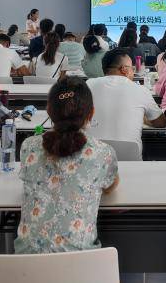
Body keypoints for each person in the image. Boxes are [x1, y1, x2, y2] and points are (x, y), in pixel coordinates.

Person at [14, 77, 119, 254]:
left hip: (25, 264)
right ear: (91, 113)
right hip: (82, 264)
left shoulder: (28, 147)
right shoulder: (103, 152)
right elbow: (110, 187)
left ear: (49, 111)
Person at [85, 49, 166, 152]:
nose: (133, 72)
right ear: (124, 70)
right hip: (129, 156)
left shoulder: (88, 84)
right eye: (132, 68)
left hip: (93, 154)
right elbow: (160, 122)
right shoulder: (141, 90)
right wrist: (144, 119)